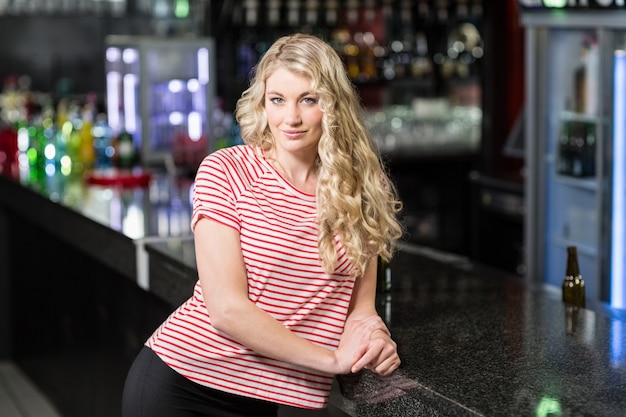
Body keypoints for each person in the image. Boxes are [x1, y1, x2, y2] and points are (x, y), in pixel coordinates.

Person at [122, 33, 404, 417]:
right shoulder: (227, 170)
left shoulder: (362, 188)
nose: (291, 118)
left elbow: (360, 307)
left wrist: (374, 337)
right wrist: (331, 360)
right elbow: (226, 310)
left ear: (333, 105)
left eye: (309, 99)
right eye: (277, 100)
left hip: (261, 402)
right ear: (262, 103)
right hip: (181, 387)